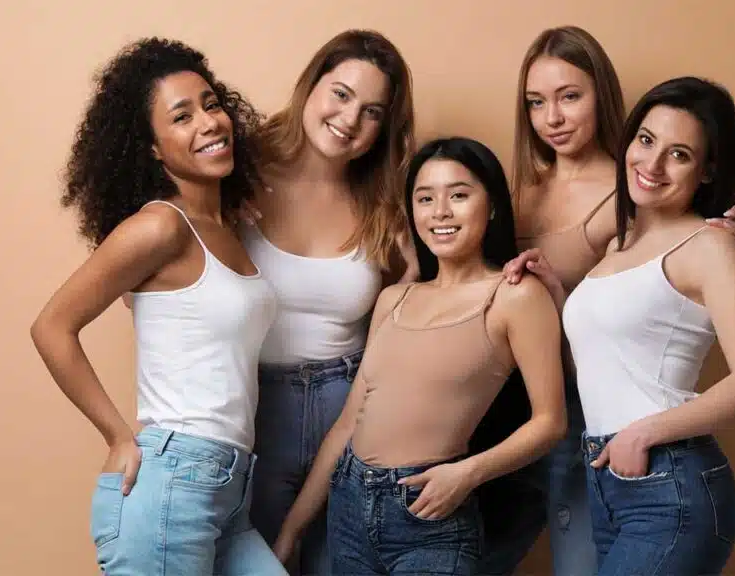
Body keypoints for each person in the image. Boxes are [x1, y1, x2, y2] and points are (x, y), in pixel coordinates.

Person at [482, 26, 735, 575]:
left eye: (679, 154)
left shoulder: (697, 237)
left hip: (660, 468)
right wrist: (556, 291)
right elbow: (602, 342)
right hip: (598, 460)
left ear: (706, 169)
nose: (653, 165)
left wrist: (642, 433)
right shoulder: (620, 244)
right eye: (646, 142)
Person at [30, 38, 287, 575]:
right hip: (174, 481)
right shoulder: (161, 226)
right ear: (151, 147)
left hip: (230, 491)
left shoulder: (228, 229)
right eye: (182, 117)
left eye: (212, 105)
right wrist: (118, 435)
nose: (209, 123)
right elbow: (52, 326)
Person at [271, 137, 568, 575]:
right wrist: (292, 531)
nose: (440, 212)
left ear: (492, 207)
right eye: (425, 198)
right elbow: (349, 423)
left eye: (459, 195)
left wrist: (467, 474)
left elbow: (550, 422)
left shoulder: (515, 296)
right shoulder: (393, 298)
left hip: (431, 513)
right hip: (349, 506)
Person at [238, 29, 419, 576]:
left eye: (372, 112)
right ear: (311, 86)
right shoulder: (239, 174)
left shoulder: (384, 199)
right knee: (259, 559)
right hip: (257, 408)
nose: (350, 119)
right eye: (341, 94)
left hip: (352, 407)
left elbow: (419, 298)